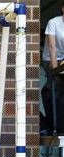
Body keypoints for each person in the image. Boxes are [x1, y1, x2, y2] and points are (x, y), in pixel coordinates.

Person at [41, 1, 64, 135]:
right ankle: (56, 127)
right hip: (50, 58)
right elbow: (51, 47)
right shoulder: (53, 22)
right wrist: (56, 70)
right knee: (55, 85)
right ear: (62, 9)